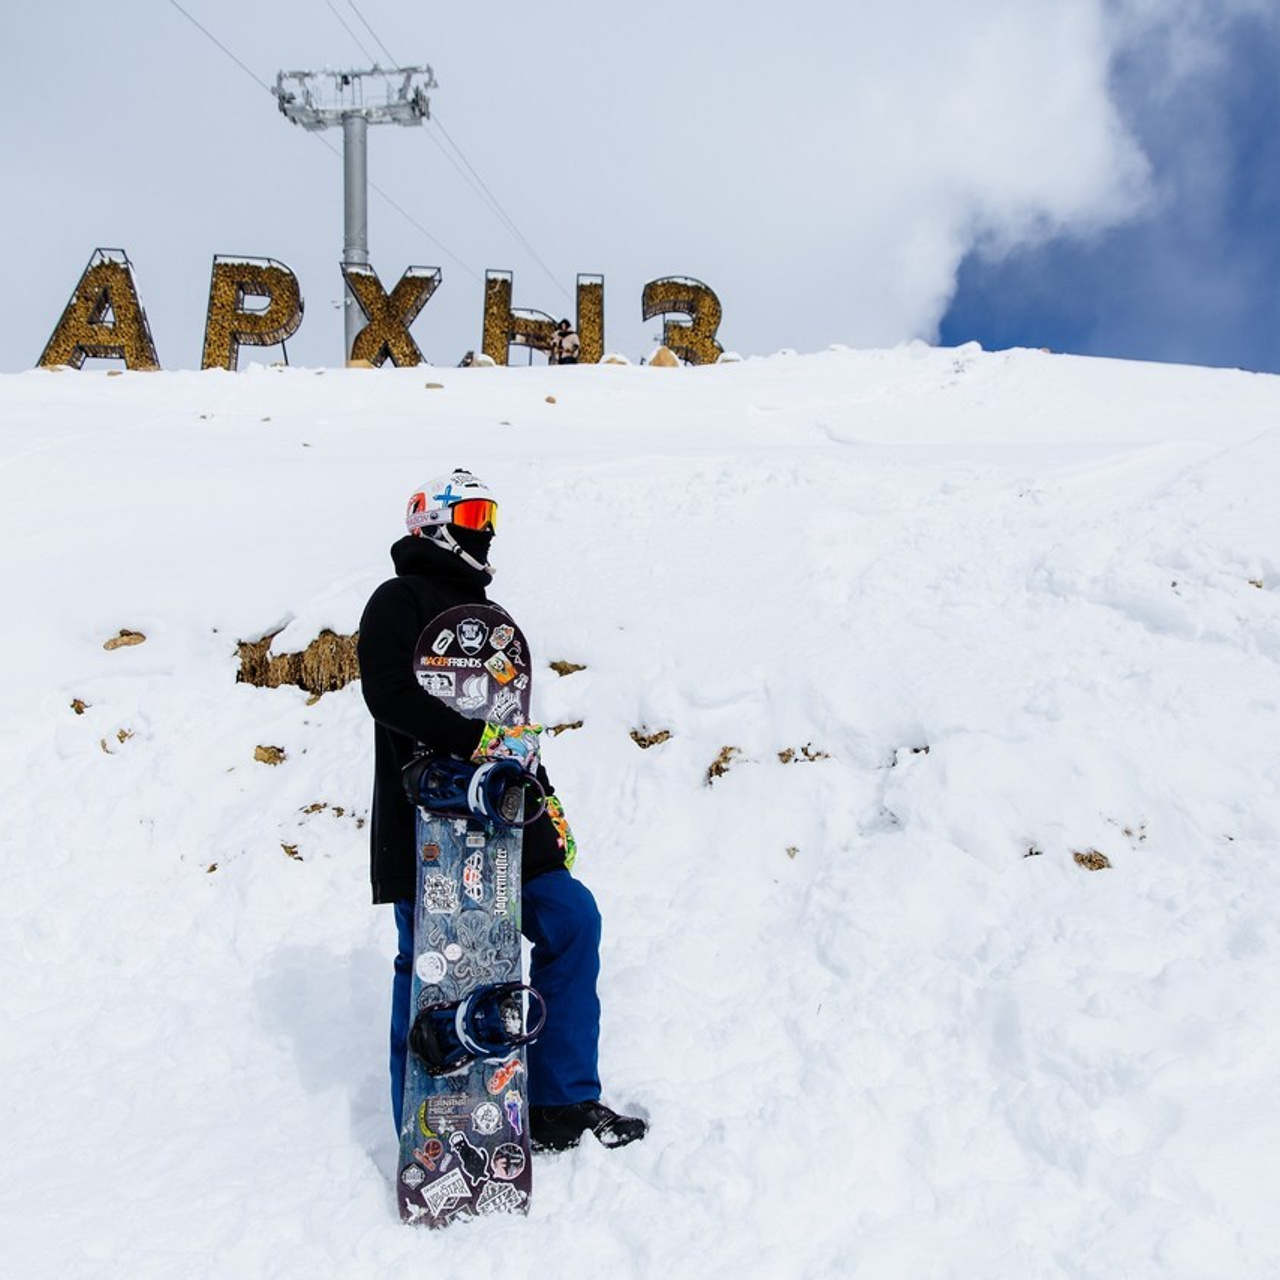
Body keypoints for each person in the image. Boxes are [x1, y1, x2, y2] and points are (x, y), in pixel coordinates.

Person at [357, 467, 646, 1152]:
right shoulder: (396, 601)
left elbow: (512, 725)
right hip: (431, 816)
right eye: (472, 512)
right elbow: (390, 695)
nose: (485, 529)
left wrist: (548, 812)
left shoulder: (495, 623)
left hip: (508, 816)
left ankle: (560, 1101)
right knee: (432, 958)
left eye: (490, 514)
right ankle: (424, 1117)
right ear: (432, 522)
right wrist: (473, 738)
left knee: (573, 918)